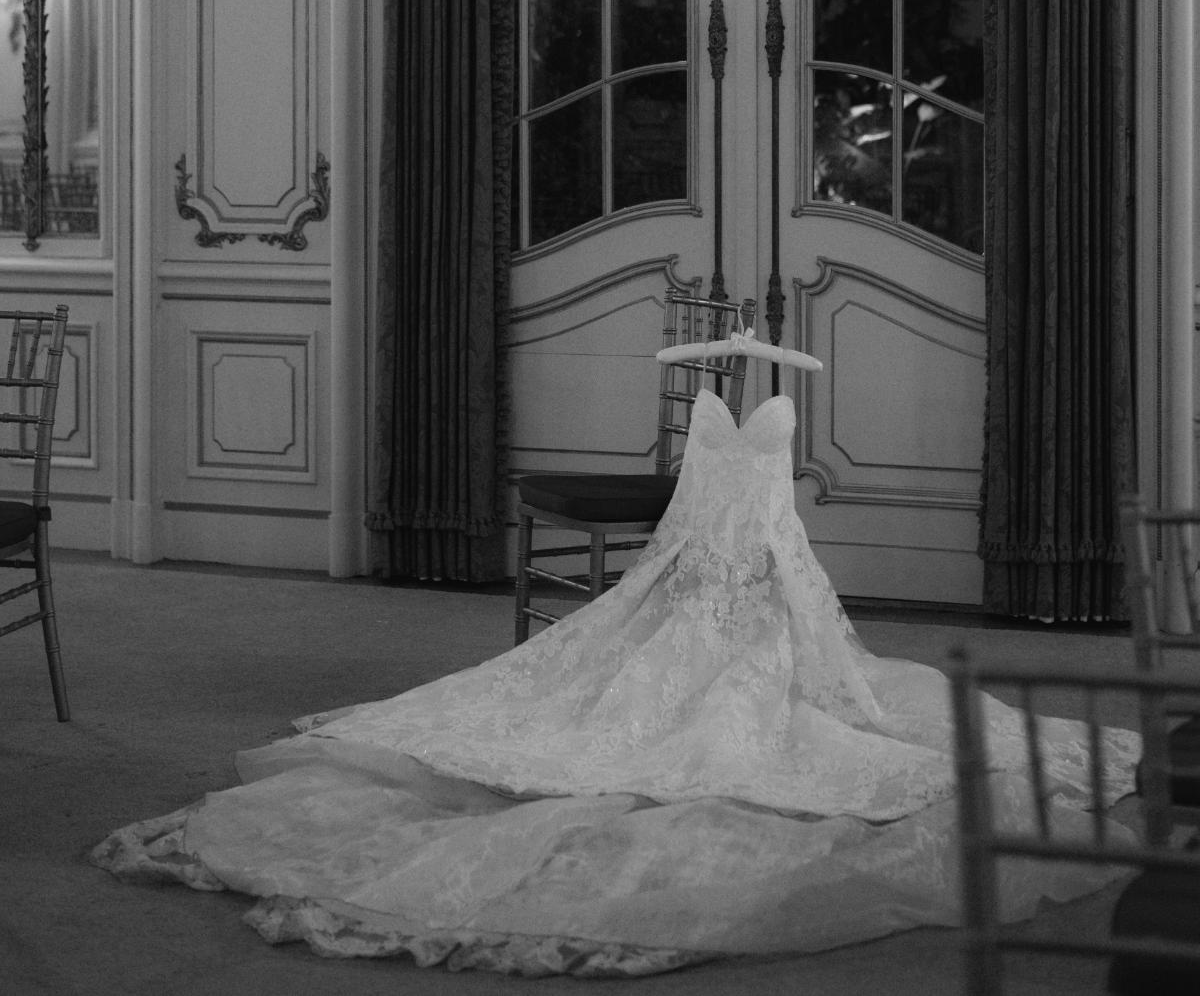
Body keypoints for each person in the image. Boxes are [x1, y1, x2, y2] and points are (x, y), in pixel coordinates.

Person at [92, 374, 1141, 976]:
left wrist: (829, 659)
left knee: (801, 732)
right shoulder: (711, 390)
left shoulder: (783, 390)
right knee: (601, 710)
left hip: (761, 601)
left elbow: (792, 560)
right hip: (688, 587)